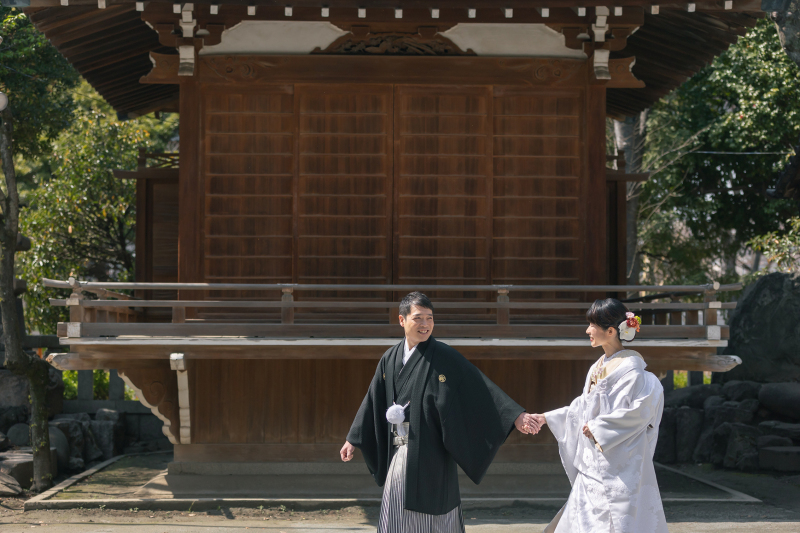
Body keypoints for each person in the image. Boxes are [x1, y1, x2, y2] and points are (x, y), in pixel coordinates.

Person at [340, 291, 540, 533]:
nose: (425, 324)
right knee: (397, 509)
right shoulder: (390, 358)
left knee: (436, 510)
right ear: (402, 320)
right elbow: (373, 399)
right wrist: (353, 438)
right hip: (399, 452)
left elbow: (478, 387)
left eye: (430, 318)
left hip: (432, 450)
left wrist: (514, 416)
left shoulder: (445, 356)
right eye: (418, 318)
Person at [530, 298, 668, 533]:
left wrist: (599, 428)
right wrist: (547, 417)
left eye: (592, 325)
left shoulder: (636, 374)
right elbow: (581, 408)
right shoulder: (597, 367)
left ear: (611, 331)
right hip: (591, 463)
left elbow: (639, 414)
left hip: (620, 467)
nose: (587, 330)